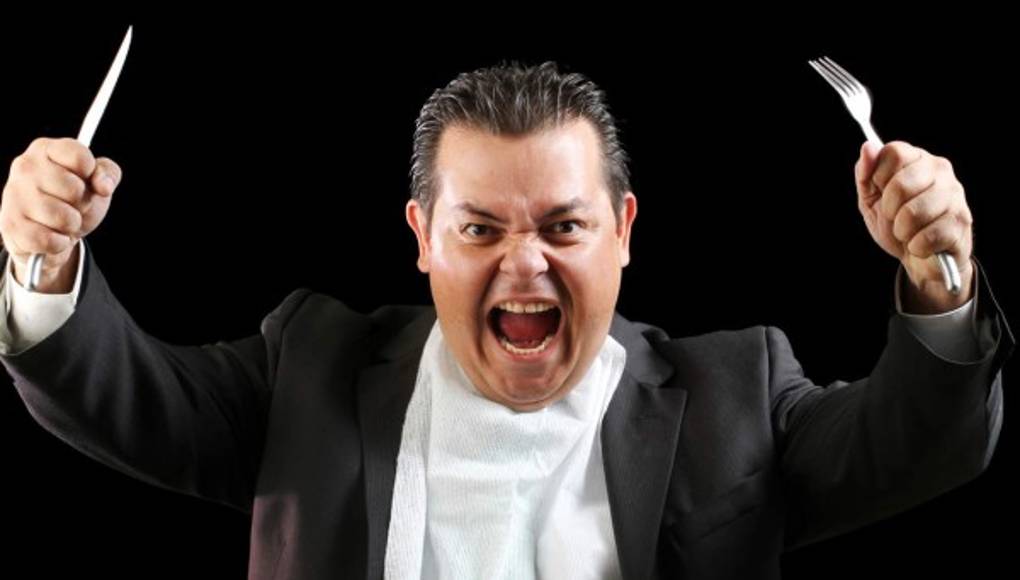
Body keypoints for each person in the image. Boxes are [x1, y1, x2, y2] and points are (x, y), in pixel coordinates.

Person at [0, 61, 1013, 580]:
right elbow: (119, 396)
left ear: (622, 231)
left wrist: (940, 275)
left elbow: (918, 443)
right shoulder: (309, 366)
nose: (524, 263)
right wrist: (46, 256)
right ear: (423, 238)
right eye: (480, 227)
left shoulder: (733, 392)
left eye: (563, 226)